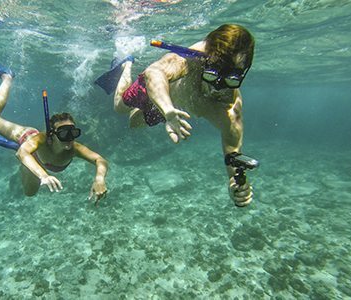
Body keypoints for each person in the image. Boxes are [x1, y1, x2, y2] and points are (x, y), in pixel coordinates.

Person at [96, 24, 254, 207]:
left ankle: (164, 111)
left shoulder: (229, 105)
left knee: (134, 122)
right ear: (207, 60)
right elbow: (154, 72)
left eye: (231, 79)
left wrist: (234, 181)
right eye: (212, 74)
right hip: (159, 96)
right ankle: (126, 63)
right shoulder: (191, 58)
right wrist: (168, 111)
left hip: (173, 110)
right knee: (119, 108)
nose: (218, 85)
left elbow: (232, 146)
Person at [0, 59, 108, 205]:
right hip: (26, 136)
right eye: (64, 134)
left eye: (73, 133)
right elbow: (21, 153)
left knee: (30, 193)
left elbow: (100, 160)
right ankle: (6, 77)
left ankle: (23, 149)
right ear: (52, 134)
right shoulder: (41, 139)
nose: (69, 139)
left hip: (34, 153)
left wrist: (99, 178)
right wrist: (43, 176)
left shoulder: (74, 149)